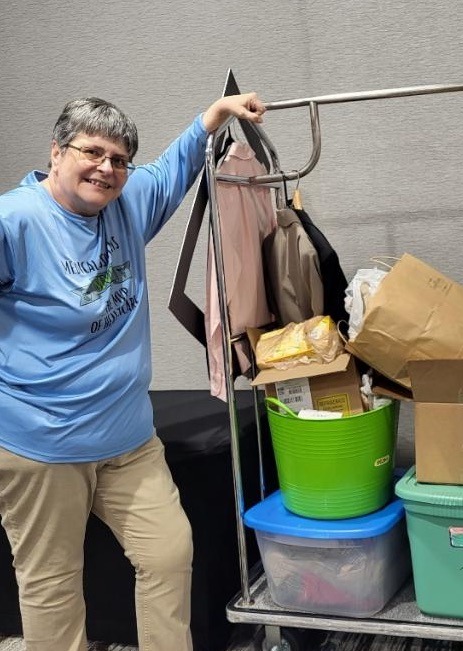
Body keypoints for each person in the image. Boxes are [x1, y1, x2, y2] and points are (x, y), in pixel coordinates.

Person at [0, 92, 266, 651]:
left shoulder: (125, 200)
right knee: (52, 588)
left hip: (127, 438)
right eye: (92, 152)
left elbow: (172, 168)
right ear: (56, 151)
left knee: (168, 553)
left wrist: (212, 118)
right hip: (43, 446)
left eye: (119, 159)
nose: (107, 168)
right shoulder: (16, 220)